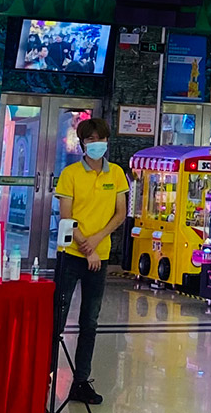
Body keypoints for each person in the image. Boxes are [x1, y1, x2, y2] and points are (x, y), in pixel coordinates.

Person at [52, 118, 128, 406]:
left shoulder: (116, 173)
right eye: (91, 139)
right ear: (82, 143)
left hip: (100, 256)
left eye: (101, 138)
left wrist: (96, 242)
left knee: (90, 322)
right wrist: (86, 246)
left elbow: (120, 214)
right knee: (56, 320)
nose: (97, 144)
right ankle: (44, 376)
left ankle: (81, 381)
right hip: (70, 255)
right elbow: (66, 217)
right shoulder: (70, 174)